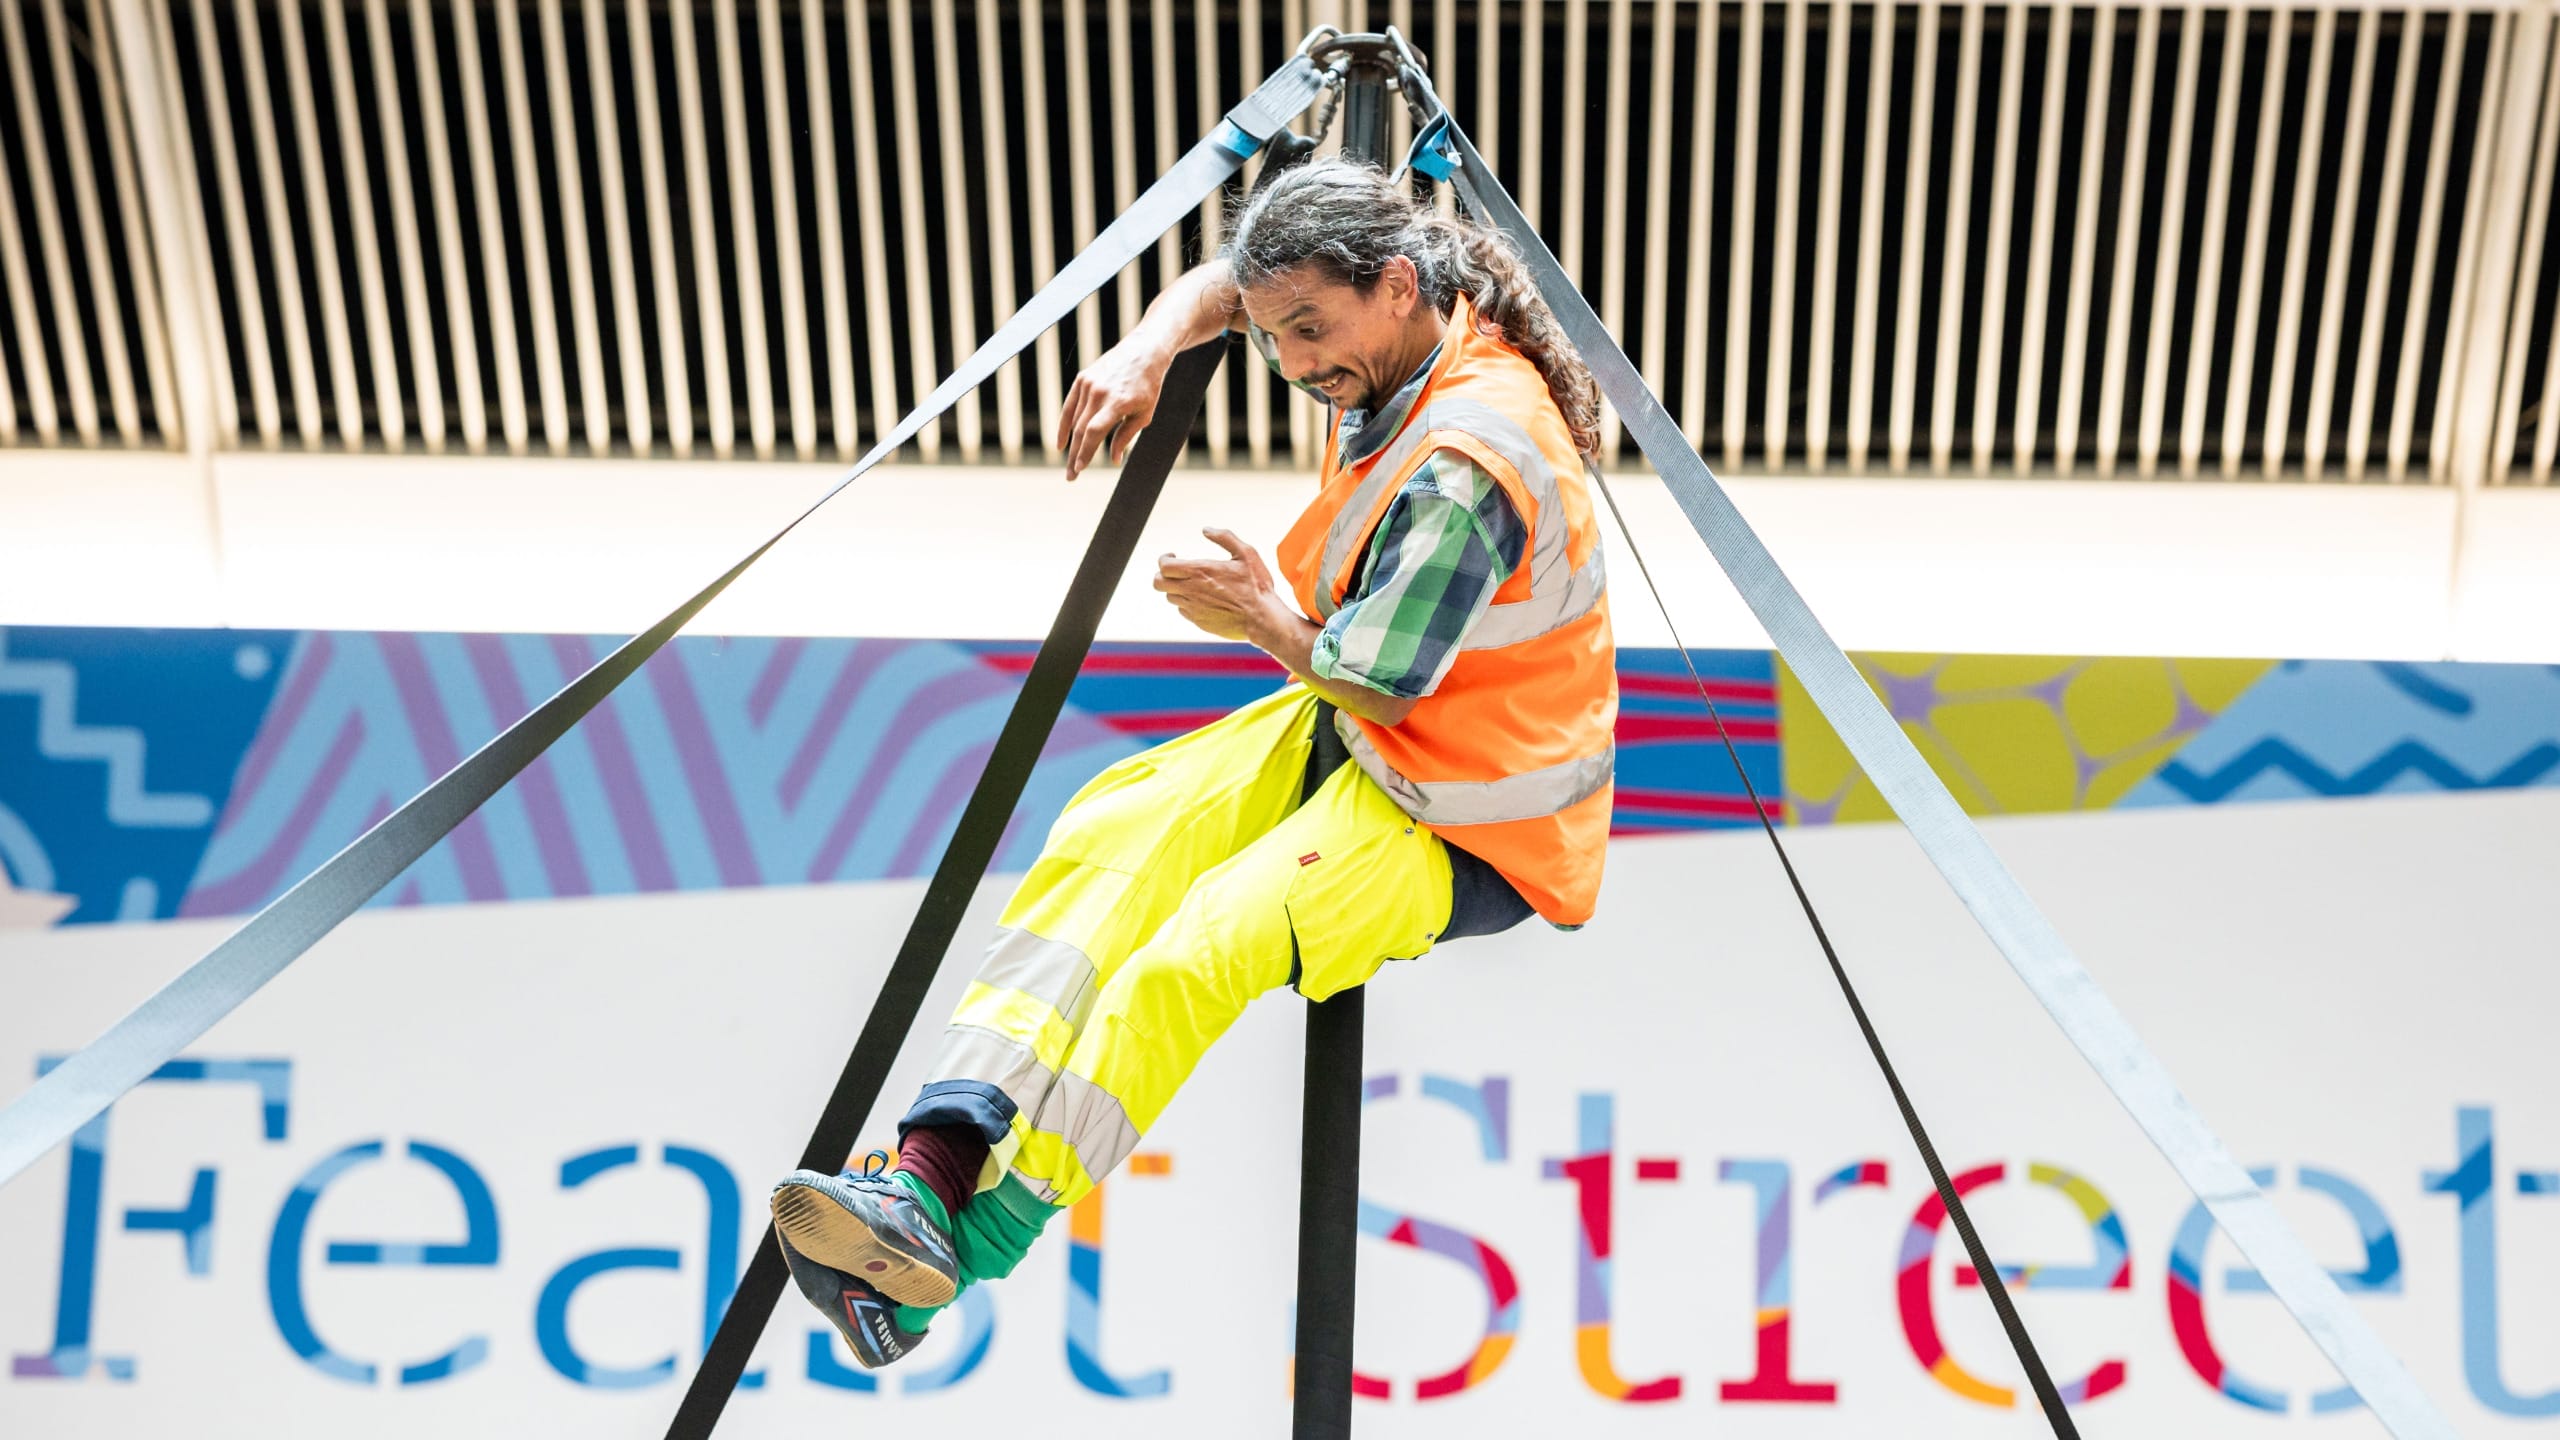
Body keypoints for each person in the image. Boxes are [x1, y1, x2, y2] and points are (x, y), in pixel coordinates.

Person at [767, 159, 1620, 1368]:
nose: (1290, 363)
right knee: (1113, 835)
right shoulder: (1392, 322)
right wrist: (1144, 352)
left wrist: (1259, 620)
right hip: (1371, 735)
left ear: (1393, 284)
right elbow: (1234, 287)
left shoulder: (1475, 457)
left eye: (1310, 333)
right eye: (1275, 337)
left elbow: (1377, 672)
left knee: (1197, 948)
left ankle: (967, 1245)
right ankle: (926, 1174)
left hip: (1472, 813)